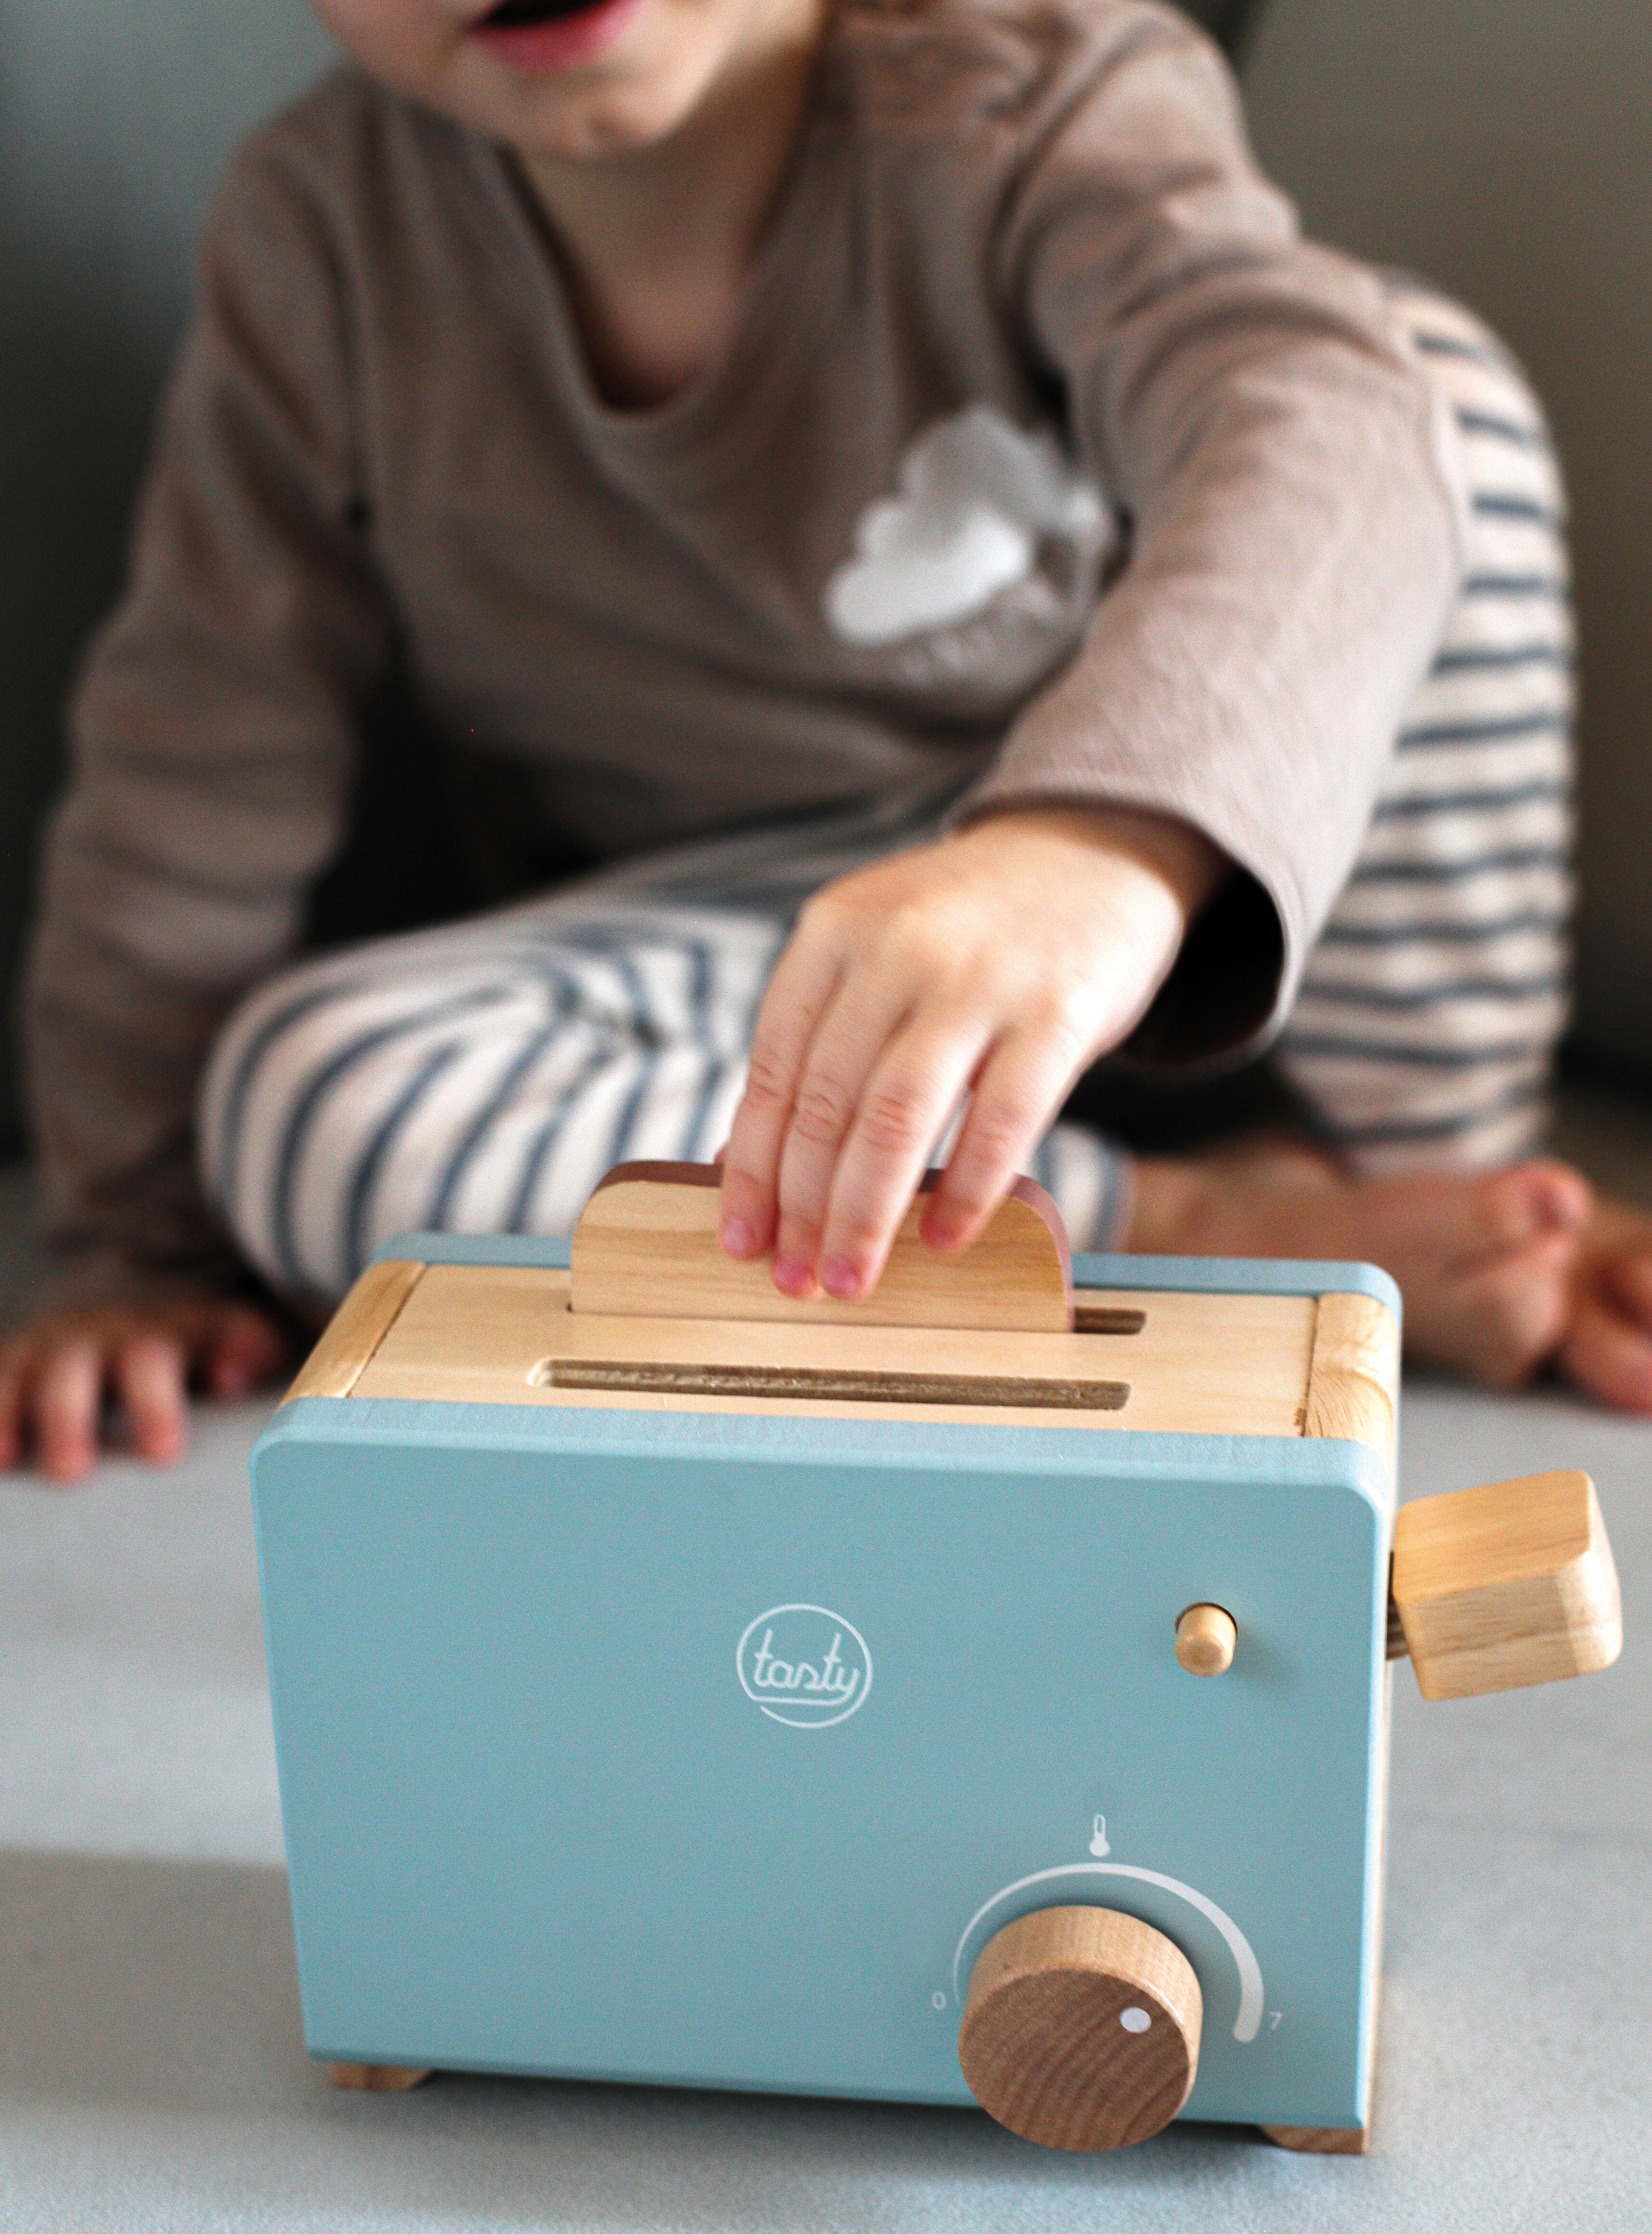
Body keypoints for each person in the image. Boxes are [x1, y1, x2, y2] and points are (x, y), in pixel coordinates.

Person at [5, 0, 1649, 1482]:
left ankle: (1454, 1193)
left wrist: (1099, 843)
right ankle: (1214, 1227)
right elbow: (198, 749)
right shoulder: (327, 237)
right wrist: (131, 1244)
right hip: (747, 980)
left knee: (1425, 403)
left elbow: (1322, 420)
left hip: (1179, 899)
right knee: (309, 1095)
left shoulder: (1031, 93)